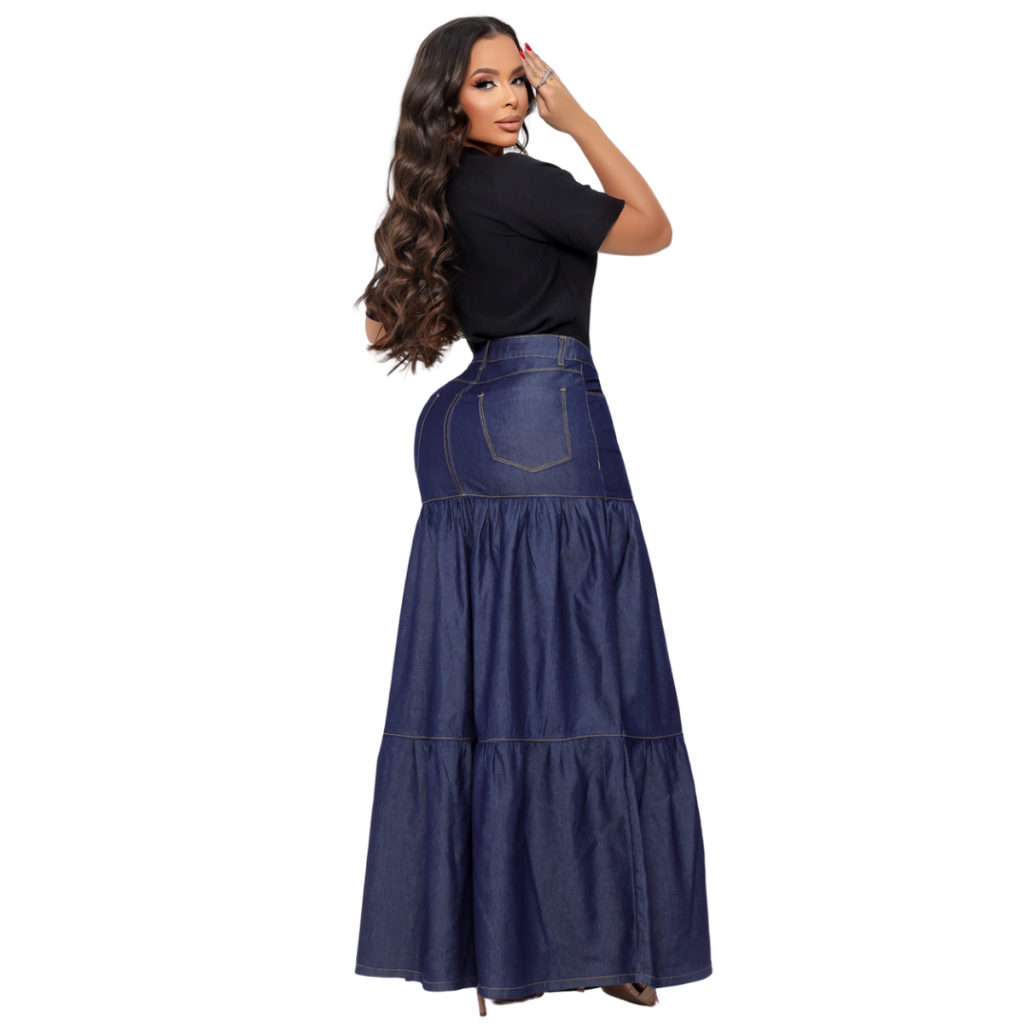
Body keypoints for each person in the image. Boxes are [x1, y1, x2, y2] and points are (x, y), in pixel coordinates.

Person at [353, 17, 712, 1016]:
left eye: (519, 78)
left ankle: (494, 945)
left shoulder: (434, 198)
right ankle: (601, 941)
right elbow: (651, 226)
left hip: (460, 434)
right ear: (449, 99)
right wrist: (576, 116)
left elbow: (382, 323)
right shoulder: (521, 184)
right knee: (583, 684)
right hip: (543, 423)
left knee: (483, 692)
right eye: (487, 82)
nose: (512, 96)